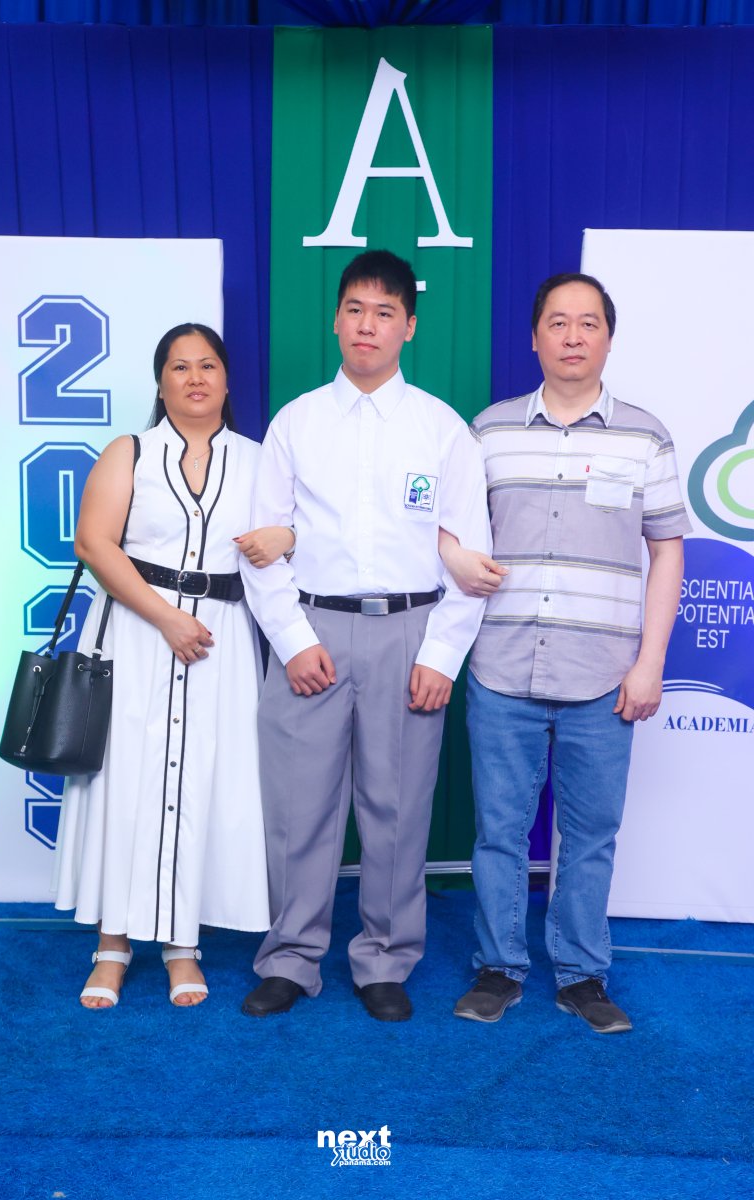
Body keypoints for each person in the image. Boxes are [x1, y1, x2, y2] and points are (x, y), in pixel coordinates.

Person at [238, 250, 488, 1022]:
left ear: (409, 327)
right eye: (354, 309)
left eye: (385, 312)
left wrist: (441, 655)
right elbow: (260, 545)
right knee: (298, 807)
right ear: (335, 320)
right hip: (311, 626)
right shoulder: (296, 423)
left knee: (397, 808)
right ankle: (291, 956)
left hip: (409, 631)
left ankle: (385, 957)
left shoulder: (441, 430)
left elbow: (470, 557)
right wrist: (291, 640)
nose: (367, 325)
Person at [441, 273, 690, 1033]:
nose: (573, 336)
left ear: (608, 338)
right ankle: (498, 968)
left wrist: (650, 663)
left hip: (605, 676)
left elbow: (668, 550)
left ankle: (582, 974)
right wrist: (454, 556)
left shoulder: (645, 437)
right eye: (558, 322)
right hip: (502, 667)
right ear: (535, 337)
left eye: (588, 323)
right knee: (499, 832)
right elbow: (447, 529)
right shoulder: (489, 432)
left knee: (590, 836)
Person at [54, 323, 295, 1008]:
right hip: (136, 632)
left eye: (208, 365)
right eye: (180, 367)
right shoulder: (130, 450)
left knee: (203, 782)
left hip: (221, 636)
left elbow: (305, 530)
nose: (195, 378)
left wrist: (288, 533)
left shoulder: (259, 459)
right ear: (160, 383)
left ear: (226, 379)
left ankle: (182, 945)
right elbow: (94, 544)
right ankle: (112, 945)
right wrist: (165, 618)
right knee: (124, 780)